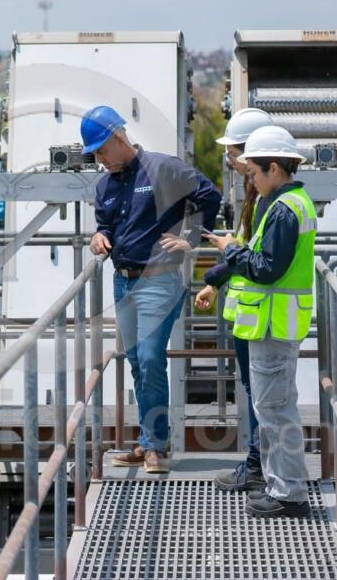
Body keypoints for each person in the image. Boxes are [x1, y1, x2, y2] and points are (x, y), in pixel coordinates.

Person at [83, 105, 222, 474]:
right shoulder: (104, 185)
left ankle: (156, 446)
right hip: (123, 280)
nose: (99, 160)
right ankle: (148, 441)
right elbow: (106, 225)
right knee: (137, 362)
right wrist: (98, 237)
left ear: (119, 137)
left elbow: (210, 196)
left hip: (159, 279)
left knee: (149, 358)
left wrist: (192, 238)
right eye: (94, 155)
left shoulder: (163, 168)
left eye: (101, 150)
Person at [203, 125, 316, 518]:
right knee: (273, 408)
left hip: (272, 326)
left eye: (253, 173)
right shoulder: (293, 203)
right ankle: (277, 486)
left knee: (276, 411)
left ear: (274, 168)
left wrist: (230, 250)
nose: (250, 180)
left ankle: (290, 495)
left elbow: (266, 269)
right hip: (275, 324)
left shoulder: (284, 210)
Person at [193, 108, 274, 492]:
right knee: (256, 391)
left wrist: (225, 254)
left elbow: (251, 255)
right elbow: (245, 248)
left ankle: (260, 468)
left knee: (262, 394)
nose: (229, 160)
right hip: (250, 312)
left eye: (234, 153)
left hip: (262, 314)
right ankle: (259, 464)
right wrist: (214, 281)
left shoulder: (266, 200)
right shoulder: (255, 195)